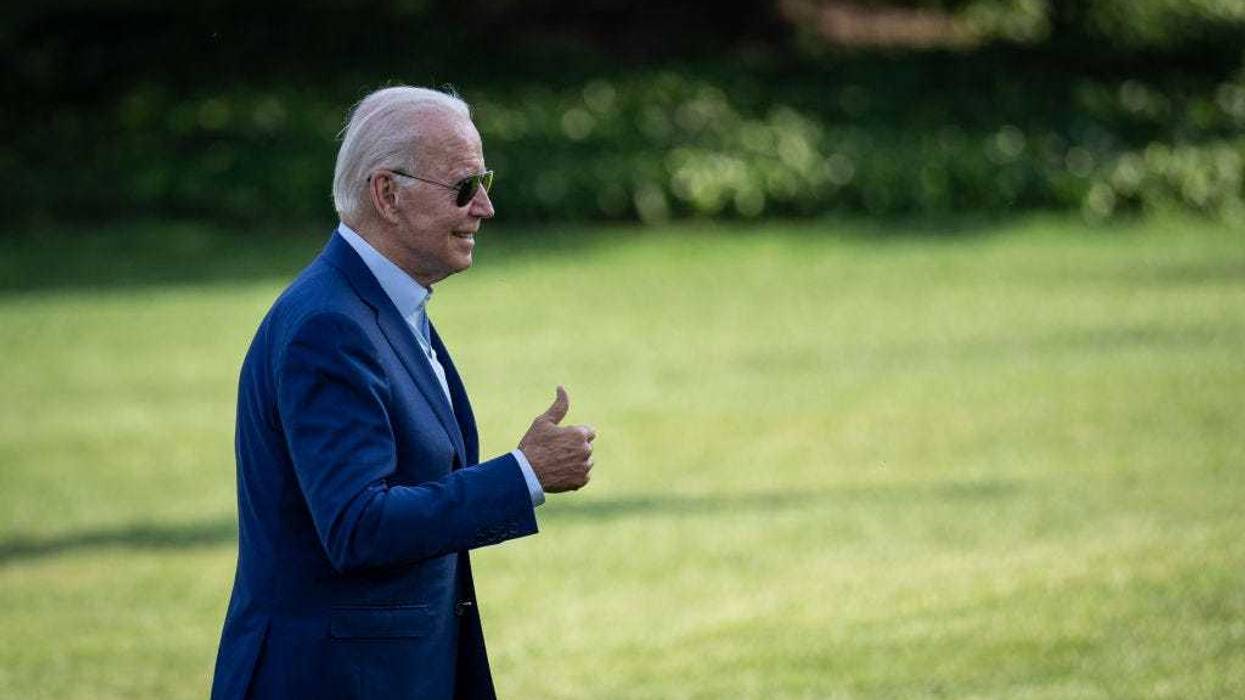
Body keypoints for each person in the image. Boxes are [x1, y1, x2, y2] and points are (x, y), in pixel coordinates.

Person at [210, 86, 596, 700]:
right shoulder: (329, 325)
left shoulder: (382, 305)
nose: (486, 208)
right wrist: (523, 475)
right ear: (387, 194)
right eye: (464, 186)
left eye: (484, 181)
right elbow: (359, 525)